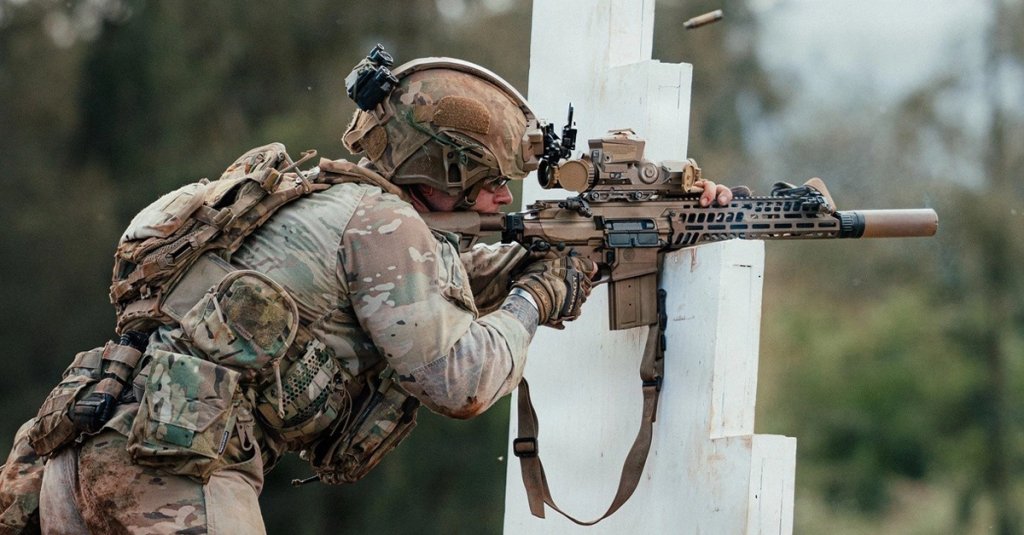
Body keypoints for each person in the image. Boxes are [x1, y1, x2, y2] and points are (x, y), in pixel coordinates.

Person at [0, 50, 734, 534]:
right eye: (487, 181)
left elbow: (431, 294)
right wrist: (537, 298)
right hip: (172, 481)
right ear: (441, 171)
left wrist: (591, 248)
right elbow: (462, 379)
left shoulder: (325, 202)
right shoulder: (384, 224)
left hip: (70, 455)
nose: (498, 199)